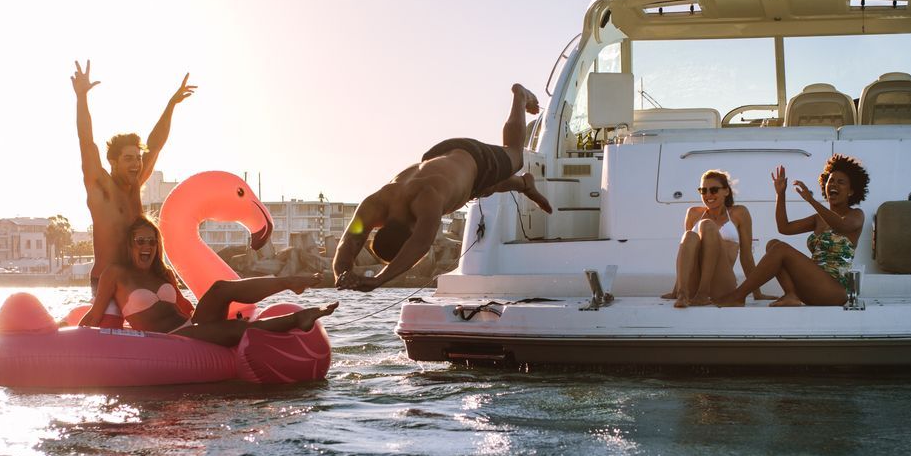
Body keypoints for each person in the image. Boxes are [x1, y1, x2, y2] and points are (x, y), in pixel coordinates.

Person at [333, 83, 555, 292]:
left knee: (514, 156)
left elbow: (420, 245)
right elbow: (349, 240)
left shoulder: (426, 201)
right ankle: (525, 184)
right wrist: (342, 273)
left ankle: (519, 96)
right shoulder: (376, 204)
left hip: (475, 158)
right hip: (438, 157)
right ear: (380, 227)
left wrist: (378, 280)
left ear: (411, 231)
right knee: (479, 190)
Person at [90, 217, 335, 345]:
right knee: (235, 329)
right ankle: (297, 318)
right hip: (169, 339)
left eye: (152, 242)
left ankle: (290, 281)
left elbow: (184, 307)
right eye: (140, 241)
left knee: (219, 288)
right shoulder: (115, 274)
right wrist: (63, 334)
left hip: (190, 325)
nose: (147, 247)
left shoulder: (162, 273)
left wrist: (207, 311)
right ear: (129, 245)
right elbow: (95, 314)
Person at [72, 62, 195, 279]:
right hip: (105, 283)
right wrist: (81, 98)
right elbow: (86, 141)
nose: (136, 164)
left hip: (136, 283)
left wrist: (171, 105)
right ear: (113, 161)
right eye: (128, 159)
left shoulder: (135, 182)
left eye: (138, 159)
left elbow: (155, 144)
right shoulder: (100, 187)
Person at [718, 154, 869, 307]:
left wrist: (811, 200)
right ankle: (791, 294)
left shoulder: (856, 215)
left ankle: (738, 295)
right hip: (812, 288)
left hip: (835, 292)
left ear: (851, 191)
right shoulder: (818, 218)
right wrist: (780, 194)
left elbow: (841, 226)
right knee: (773, 244)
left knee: (781, 249)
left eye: (841, 182)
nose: (833, 185)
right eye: (830, 181)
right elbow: (784, 228)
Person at [664, 168, 754, 308]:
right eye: (703, 190)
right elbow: (686, 253)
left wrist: (756, 291)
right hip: (694, 283)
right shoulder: (693, 213)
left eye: (713, 190)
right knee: (689, 236)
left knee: (707, 225)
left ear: (726, 191)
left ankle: (703, 293)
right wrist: (675, 289)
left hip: (722, 284)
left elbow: (746, 255)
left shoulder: (739, 213)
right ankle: (682, 293)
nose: (708, 195)